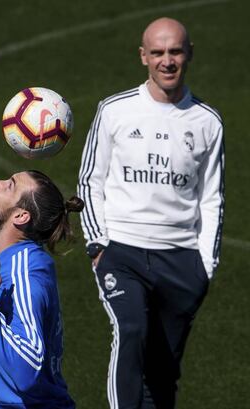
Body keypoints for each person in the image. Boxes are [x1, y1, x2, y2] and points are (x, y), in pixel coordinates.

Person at [78, 17, 224, 409]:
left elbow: (212, 198)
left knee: (162, 374)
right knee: (130, 330)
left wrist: (204, 266)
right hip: (122, 252)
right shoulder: (114, 110)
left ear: (189, 53)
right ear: (143, 56)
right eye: (157, 52)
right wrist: (97, 245)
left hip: (182, 262)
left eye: (175, 51)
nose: (167, 61)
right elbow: (90, 180)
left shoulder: (208, 122)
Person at [0, 170, 83, 409]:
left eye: (9, 185)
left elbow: (27, 371)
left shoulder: (25, 276)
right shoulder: (14, 261)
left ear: (21, 216)